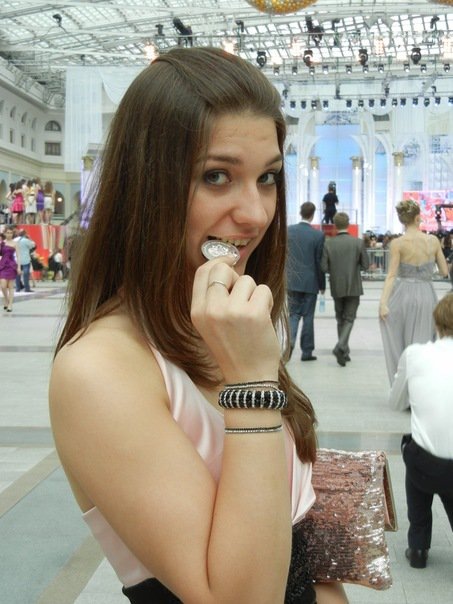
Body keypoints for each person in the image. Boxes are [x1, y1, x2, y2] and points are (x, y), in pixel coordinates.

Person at [48, 47, 348, 604]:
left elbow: (296, 554)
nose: (256, 213)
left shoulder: (216, 329)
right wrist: (253, 381)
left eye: (267, 178)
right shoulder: (100, 368)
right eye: (216, 176)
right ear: (145, 186)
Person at [389, 293, 453, 569]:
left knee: (414, 448)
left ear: (436, 323)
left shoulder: (415, 354)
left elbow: (396, 402)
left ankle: (418, 546)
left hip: (424, 467)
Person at [379, 199, 448, 384]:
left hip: (403, 295)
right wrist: (428, 271)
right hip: (427, 294)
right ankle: (421, 385)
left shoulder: (397, 243)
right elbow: (444, 271)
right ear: (418, 218)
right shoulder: (432, 241)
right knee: (424, 343)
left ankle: (403, 384)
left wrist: (383, 303)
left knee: (401, 342)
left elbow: (391, 275)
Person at [321, 212, 369, 366]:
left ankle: (344, 351)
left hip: (336, 285)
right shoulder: (358, 243)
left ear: (335, 225)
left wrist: (335, 271)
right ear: (348, 224)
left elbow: (323, 267)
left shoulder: (328, 244)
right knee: (349, 318)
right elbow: (366, 265)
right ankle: (340, 346)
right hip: (354, 285)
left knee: (340, 318)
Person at [287, 202, 325, 361]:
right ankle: (307, 352)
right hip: (310, 282)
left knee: (293, 315)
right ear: (312, 215)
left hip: (292, 281)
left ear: (300, 212)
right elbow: (319, 262)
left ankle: (289, 345)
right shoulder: (318, 235)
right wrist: (322, 285)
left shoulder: (289, 231)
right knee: (308, 317)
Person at [0, 226, 21, 311]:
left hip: (11, 265)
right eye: (8, 233)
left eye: (11, 233)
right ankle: (6, 300)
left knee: (11, 286)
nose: (9, 234)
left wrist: (19, 267)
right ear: (5, 234)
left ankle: (10, 304)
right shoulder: (2, 243)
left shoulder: (15, 243)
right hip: (2, 265)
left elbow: (18, 256)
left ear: (13, 234)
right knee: (3, 286)